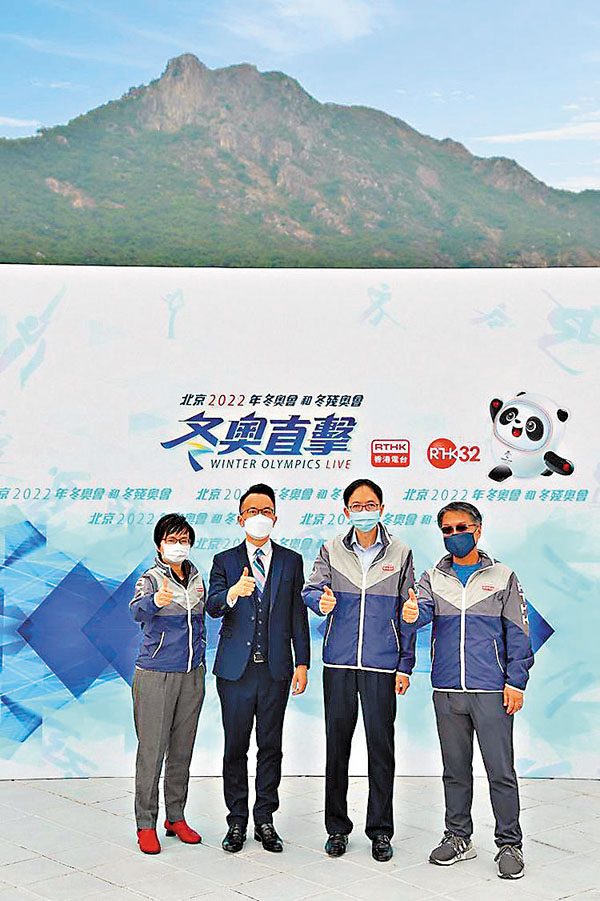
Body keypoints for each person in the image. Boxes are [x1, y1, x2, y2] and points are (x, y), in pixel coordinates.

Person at [402, 501, 534, 880]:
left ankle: (509, 843)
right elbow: (420, 612)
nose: (454, 535)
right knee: (455, 770)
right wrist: (412, 614)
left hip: (491, 690)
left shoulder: (503, 576)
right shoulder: (431, 578)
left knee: (500, 771)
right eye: (447, 530)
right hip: (446, 690)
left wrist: (515, 682)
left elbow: (519, 634)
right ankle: (459, 836)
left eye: (461, 527)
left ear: (477, 529)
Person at [302, 478, 416, 862]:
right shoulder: (332, 549)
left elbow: (409, 611)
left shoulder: (401, 552)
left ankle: (380, 831)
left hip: (382, 664)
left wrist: (405, 664)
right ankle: (337, 828)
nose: (364, 511)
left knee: (381, 749)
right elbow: (310, 589)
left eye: (370, 505)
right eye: (356, 505)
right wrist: (320, 601)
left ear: (381, 508)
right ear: (346, 510)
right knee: (337, 747)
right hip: (338, 662)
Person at [207, 483, 310, 854]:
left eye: (265, 511)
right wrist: (233, 593)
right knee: (235, 747)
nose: (259, 517)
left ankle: (265, 818)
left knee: (270, 747)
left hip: (275, 671)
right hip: (235, 673)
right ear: (240, 519)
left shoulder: (291, 561)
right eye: (252, 511)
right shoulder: (225, 560)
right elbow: (213, 606)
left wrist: (302, 662)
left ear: (275, 517)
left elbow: (298, 615)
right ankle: (236, 821)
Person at [130, 513, 206, 855]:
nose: (178, 545)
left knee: (181, 751)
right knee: (152, 752)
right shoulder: (150, 579)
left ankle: (175, 817)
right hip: (156, 674)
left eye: (184, 540)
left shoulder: (197, 577)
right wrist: (154, 602)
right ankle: (145, 824)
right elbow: (136, 611)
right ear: (159, 544)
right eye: (171, 540)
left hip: (191, 674)